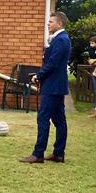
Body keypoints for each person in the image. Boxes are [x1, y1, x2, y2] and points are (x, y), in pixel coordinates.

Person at [20, 11, 71, 164]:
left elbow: (52, 63)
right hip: (55, 85)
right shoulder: (58, 39)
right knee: (59, 120)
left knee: (43, 118)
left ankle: (38, 154)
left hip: (53, 86)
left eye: (51, 22)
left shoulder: (61, 39)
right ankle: (58, 153)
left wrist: (38, 75)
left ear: (59, 24)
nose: (48, 24)